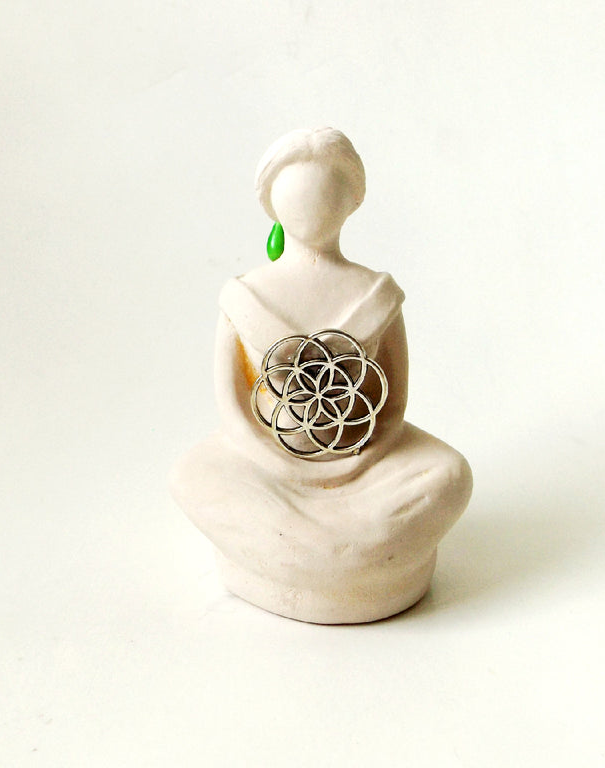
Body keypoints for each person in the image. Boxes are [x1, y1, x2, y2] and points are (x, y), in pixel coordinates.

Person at [170, 128, 472, 623]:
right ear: (272, 205)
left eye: (327, 194)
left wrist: (358, 461)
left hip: (367, 464)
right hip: (265, 466)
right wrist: (281, 464)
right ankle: (353, 557)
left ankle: (306, 557)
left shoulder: (377, 294)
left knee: (448, 474)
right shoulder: (243, 295)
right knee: (193, 474)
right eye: (297, 196)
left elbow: (393, 406)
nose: (312, 209)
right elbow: (233, 408)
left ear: (351, 202)